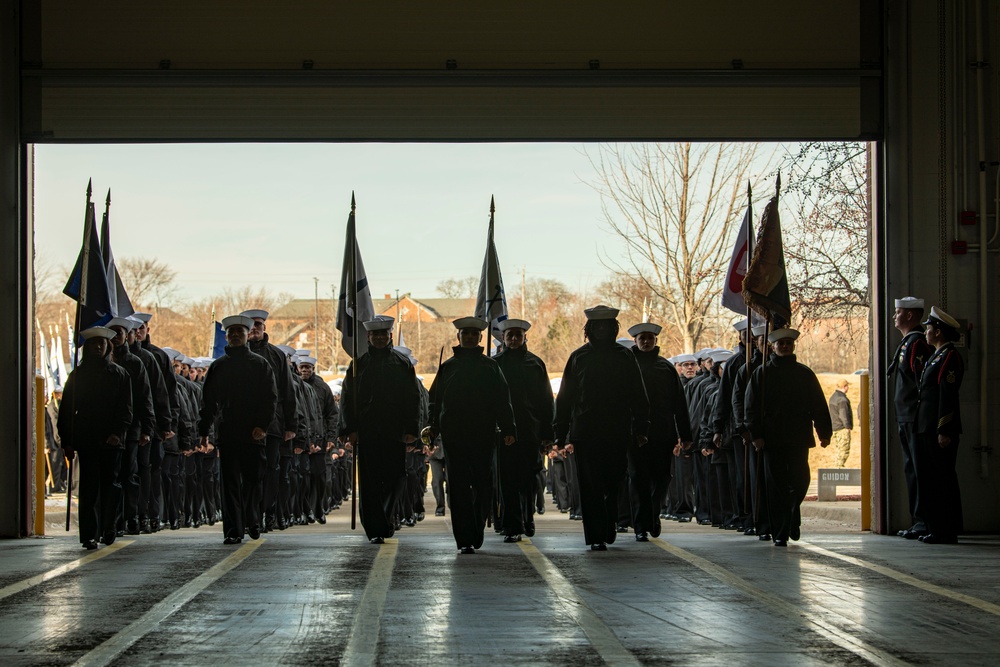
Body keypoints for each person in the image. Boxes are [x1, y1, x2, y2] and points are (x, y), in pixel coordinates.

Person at [554, 305, 649, 551]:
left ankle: (610, 521)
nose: (602, 329)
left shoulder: (624, 356)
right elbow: (564, 397)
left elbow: (638, 394)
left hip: (617, 430)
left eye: (607, 325)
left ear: (613, 328)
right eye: (597, 326)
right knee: (590, 485)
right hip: (586, 431)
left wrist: (641, 428)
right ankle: (596, 534)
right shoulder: (578, 357)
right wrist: (560, 433)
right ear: (590, 329)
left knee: (614, 481)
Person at [425, 316, 516, 554]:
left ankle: (476, 529)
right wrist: (432, 427)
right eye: (465, 334)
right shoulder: (448, 367)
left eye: (474, 334)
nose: (469, 337)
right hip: (454, 436)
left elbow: (502, 400)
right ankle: (464, 538)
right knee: (458, 487)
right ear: (459, 337)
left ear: (479, 338)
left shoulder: (490, 367)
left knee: (483, 485)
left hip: (483, 435)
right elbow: (434, 401)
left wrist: (509, 428)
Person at [745, 327, 831, 547]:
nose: (784, 347)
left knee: (801, 481)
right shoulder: (761, 374)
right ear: (772, 347)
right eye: (780, 344)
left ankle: (792, 514)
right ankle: (781, 532)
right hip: (771, 440)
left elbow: (818, 404)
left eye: (788, 344)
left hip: (798, 437)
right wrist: (756, 434)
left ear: (793, 346)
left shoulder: (804, 373)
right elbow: (750, 407)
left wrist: (824, 432)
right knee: (776, 487)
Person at [339, 316, 420, 544]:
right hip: (367, 432)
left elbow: (412, 399)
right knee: (370, 482)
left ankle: (386, 516)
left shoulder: (402, 364)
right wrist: (350, 429)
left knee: (395, 479)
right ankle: (375, 527)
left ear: (390, 336)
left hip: (394, 432)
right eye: (376, 335)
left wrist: (412, 429)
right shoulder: (358, 365)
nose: (380, 338)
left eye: (384, 334)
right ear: (368, 337)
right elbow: (347, 399)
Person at [199, 315, 278, 544]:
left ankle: (253, 520)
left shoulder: (260, 365)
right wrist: (204, 430)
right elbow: (208, 402)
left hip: (254, 434)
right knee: (230, 484)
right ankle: (233, 530)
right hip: (228, 432)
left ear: (246, 335)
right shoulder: (218, 367)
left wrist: (263, 426)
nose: (235, 336)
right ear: (226, 336)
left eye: (239, 332)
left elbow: (270, 399)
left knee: (253, 480)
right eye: (231, 332)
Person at [57, 326, 134, 549]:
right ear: (87, 347)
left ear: (108, 346)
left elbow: (126, 410)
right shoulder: (78, 376)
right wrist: (67, 441)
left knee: (111, 487)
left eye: (101, 343)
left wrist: (117, 434)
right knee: (89, 488)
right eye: (93, 344)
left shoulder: (120, 374)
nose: (97, 347)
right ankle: (89, 534)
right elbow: (67, 412)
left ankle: (109, 527)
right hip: (87, 439)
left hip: (112, 441)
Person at [628, 322, 691, 541]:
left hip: (662, 432)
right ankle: (640, 526)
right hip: (635, 434)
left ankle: (653, 514)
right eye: (642, 338)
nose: (646, 342)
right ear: (635, 341)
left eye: (649, 338)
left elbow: (679, 404)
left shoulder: (665, 368)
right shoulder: (628, 366)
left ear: (656, 341)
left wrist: (686, 435)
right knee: (639, 479)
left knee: (662, 478)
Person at [493, 319, 555, 543]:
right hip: (503, 432)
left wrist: (548, 434)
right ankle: (511, 525)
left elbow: (546, 401)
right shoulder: (494, 363)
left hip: (530, 430)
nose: (514, 339)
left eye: (518, 335)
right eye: (510, 335)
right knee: (507, 480)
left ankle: (527, 518)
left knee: (528, 480)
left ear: (525, 337)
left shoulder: (535, 363)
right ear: (503, 337)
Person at [241, 309, 298, 533]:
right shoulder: (237, 355)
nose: (254, 329)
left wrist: (291, 426)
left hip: (273, 426)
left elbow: (287, 391)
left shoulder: (276, 356)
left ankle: (268, 512)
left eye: (258, 325)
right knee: (249, 473)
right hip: (244, 426)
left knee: (271, 472)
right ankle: (250, 516)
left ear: (265, 328)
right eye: (250, 325)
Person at [914, 307, 964, 544]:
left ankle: (946, 529)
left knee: (942, 479)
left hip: (938, 428)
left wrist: (944, 429)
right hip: (927, 426)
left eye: (929, 328)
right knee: (931, 479)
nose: (926, 332)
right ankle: (935, 526)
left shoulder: (950, 357)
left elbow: (948, 395)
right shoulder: (936, 356)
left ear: (939, 332)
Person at [888, 296, 934, 539]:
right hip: (906, 416)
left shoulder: (916, 344)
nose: (894, 316)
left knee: (920, 469)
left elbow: (921, 383)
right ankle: (918, 519)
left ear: (908, 315)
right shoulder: (908, 342)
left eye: (897, 312)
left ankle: (924, 520)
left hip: (914, 417)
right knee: (911, 470)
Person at [106, 317, 155, 537]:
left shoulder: (136, 363)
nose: (116, 336)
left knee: (130, 475)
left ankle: (131, 516)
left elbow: (145, 397)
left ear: (127, 336)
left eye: (120, 332)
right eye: (112, 332)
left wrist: (147, 427)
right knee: (111, 476)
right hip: (107, 429)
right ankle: (113, 520)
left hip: (132, 429)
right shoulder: (102, 363)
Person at [828, 380, 854, 468]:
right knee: (844, 450)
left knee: (838, 450)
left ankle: (836, 469)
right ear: (845, 386)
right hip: (842, 428)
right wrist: (847, 426)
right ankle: (838, 470)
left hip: (834, 427)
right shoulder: (842, 399)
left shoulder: (833, 397)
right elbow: (843, 414)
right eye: (847, 386)